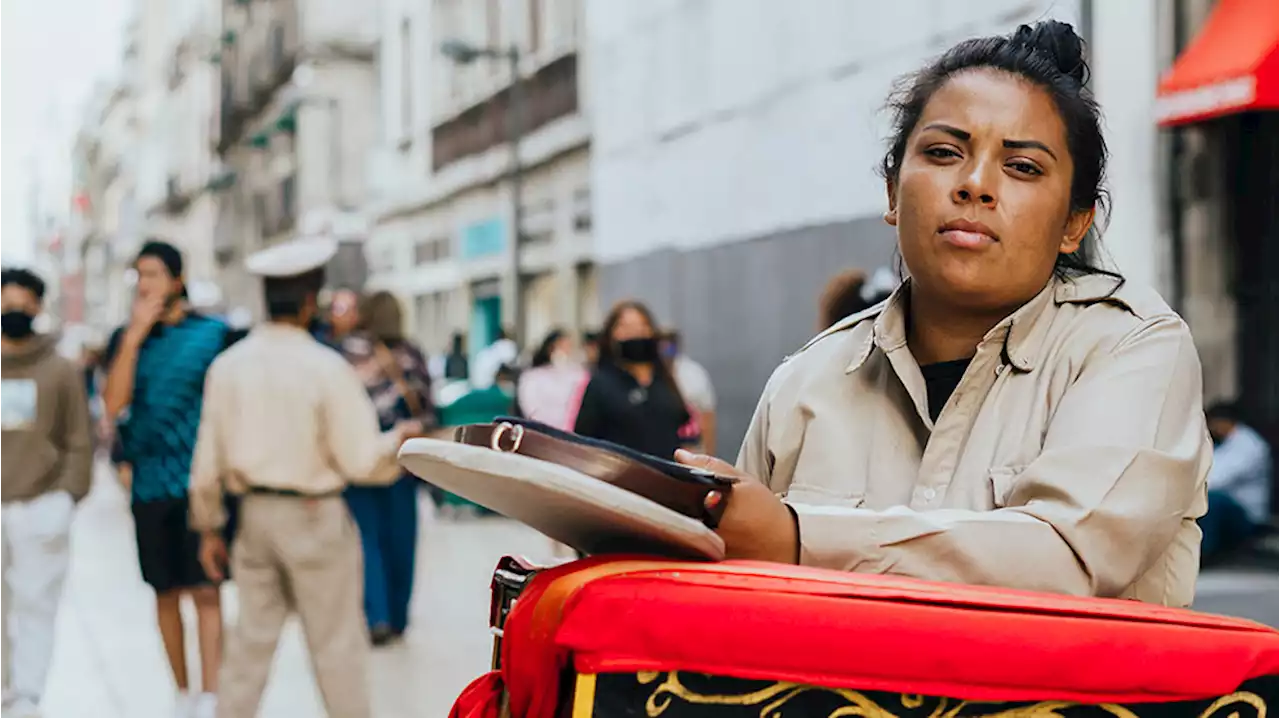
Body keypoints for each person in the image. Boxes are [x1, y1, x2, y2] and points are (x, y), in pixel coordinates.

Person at [677, 21, 1211, 608]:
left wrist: (797, 537)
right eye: (943, 153)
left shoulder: (1133, 350)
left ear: (1073, 224)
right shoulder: (806, 384)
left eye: (1023, 167)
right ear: (891, 192)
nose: (976, 185)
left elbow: (1070, 556)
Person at [188, 236, 421, 718]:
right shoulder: (326, 368)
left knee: (248, 650)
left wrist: (208, 526)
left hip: (254, 517)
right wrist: (401, 440)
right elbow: (360, 460)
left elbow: (206, 460)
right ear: (311, 300)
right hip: (315, 517)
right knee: (336, 647)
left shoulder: (229, 366)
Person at [101, 240, 234, 718]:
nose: (144, 283)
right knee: (164, 593)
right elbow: (114, 408)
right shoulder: (125, 339)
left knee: (206, 589)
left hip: (200, 485)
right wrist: (134, 338)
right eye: (139, 275)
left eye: (153, 274)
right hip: (150, 486)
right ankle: (181, 693)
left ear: (177, 280)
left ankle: (211, 694)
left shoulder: (214, 333)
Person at [0, 268, 93, 717]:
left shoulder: (59, 368)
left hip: (39, 505)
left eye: (22, 303)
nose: (13, 311)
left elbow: (79, 438)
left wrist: (66, 495)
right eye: (6, 302)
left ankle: (27, 697)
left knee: (36, 607)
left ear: (37, 306)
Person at [338, 290, 435, 646]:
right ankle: (398, 617)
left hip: (361, 461)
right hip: (402, 462)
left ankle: (375, 615)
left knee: (367, 541)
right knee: (402, 540)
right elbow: (428, 409)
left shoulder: (346, 353)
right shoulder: (411, 354)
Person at [573, 301, 694, 460]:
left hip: (669, 476)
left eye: (642, 326)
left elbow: (687, 429)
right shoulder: (601, 384)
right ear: (610, 336)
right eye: (625, 328)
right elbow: (582, 441)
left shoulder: (666, 380)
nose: (635, 333)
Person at [1202, 402, 1273, 560]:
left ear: (1222, 422)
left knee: (1212, 499)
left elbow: (1217, 480)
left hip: (1246, 516)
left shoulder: (1249, 445)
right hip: (1227, 509)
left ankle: (1205, 554)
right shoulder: (1225, 444)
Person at [517, 329, 588, 431]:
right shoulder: (532, 377)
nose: (565, 351)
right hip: (543, 430)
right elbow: (531, 407)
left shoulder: (578, 374)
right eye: (561, 346)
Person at [662, 330, 718, 456]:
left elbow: (708, 418)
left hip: (692, 448)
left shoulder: (693, 374)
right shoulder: (649, 376)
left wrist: (708, 455)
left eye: (669, 347)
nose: (665, 351)